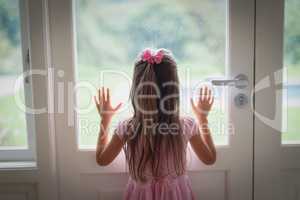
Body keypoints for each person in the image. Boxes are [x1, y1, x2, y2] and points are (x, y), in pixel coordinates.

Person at [94, 48, 216, 200]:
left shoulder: (128, 128)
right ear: (174, 89)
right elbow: (210, 158)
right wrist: (203, 118)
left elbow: (102, 159)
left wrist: (105, 119)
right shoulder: (186, 126)